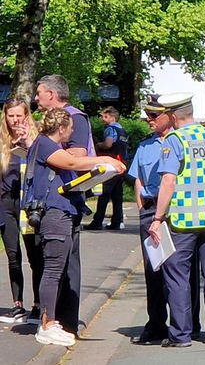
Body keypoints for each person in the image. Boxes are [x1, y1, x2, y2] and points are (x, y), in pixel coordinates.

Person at [25, 108, 126, 347]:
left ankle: (50, 321)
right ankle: (47, 324)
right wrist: (106, 159)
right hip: (55, 213)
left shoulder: (47, 145)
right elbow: (72, 161)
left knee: (56, 270)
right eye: (70, 128)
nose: (72, 132)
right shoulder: (46, 145)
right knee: (52, 270)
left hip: (62, 212)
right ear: (61, 128)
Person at [148, 93, 205, 348]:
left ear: (173, 116)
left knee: (177, 278)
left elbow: (168, 181)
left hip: (182, 222)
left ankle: (181, 334)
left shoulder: (175, 140)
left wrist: (157, 217)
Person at [128, 97, 199, 345]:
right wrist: (143, 210)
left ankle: (189, 325)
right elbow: (138, 179)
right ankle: (156, 324)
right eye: (147, 115)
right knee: (154, 269)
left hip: (178, 211)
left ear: (169, 116)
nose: (148, 120)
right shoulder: (145, 146)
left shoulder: (183, 141)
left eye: (153, 116)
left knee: (184, 271)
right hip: (152, 211)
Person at [1, 99, 42, 325]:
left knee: (35, 255)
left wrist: (27, 143)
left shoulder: (35, 140)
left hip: (28, 203)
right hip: (6, 203)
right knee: (13, 256)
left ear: (26, 117)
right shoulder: (2, 142)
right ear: (5, 117)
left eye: (19, 116)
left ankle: (37, 305)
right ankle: (18, 305)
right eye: (11, 116)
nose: (15, 120)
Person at [86, 106, 128, 230]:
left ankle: (97, 221)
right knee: (117, 195)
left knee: (104, 193)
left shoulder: (110, 129)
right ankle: (117, 221)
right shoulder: (123, 131)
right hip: (121, 164)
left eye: (105, 116)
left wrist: (99, 145)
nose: (102, 119)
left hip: (111, 164)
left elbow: (108, 144)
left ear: (112, 117)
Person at [34, 75, 94, 158]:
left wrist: (45, 155)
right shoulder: (50, 117)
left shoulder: (75, 116)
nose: (36, 98)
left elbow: (78, 154)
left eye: (38, 93)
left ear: (51, 94)